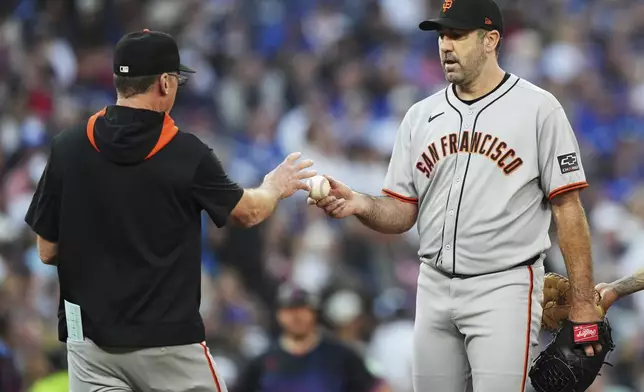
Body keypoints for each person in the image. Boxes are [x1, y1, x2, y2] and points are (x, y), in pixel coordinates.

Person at [309, 0, 604, 390]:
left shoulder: (538, 109)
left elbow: (568, 208)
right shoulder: (420, 116)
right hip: (433, 284)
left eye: (458, 35)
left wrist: (583, 304)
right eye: (442, 35)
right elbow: (402, 212)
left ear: (490, 40)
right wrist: (360, 203)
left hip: (503, 286)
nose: (445, 45)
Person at [24, 29, 315, 392]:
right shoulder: (185, 153)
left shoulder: (67, 147)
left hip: (90, 346)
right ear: (163, 82)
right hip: (167, 345)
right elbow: (247, 213)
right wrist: (274, 186)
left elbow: (47, 250)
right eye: (175, 78)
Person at [232, 283, 389, 392]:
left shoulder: (340, 356)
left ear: (315, 313)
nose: (297, 317)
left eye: (303, 309)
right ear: (279, 315)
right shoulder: (263, 362)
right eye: (290, 310)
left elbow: (379, 388)